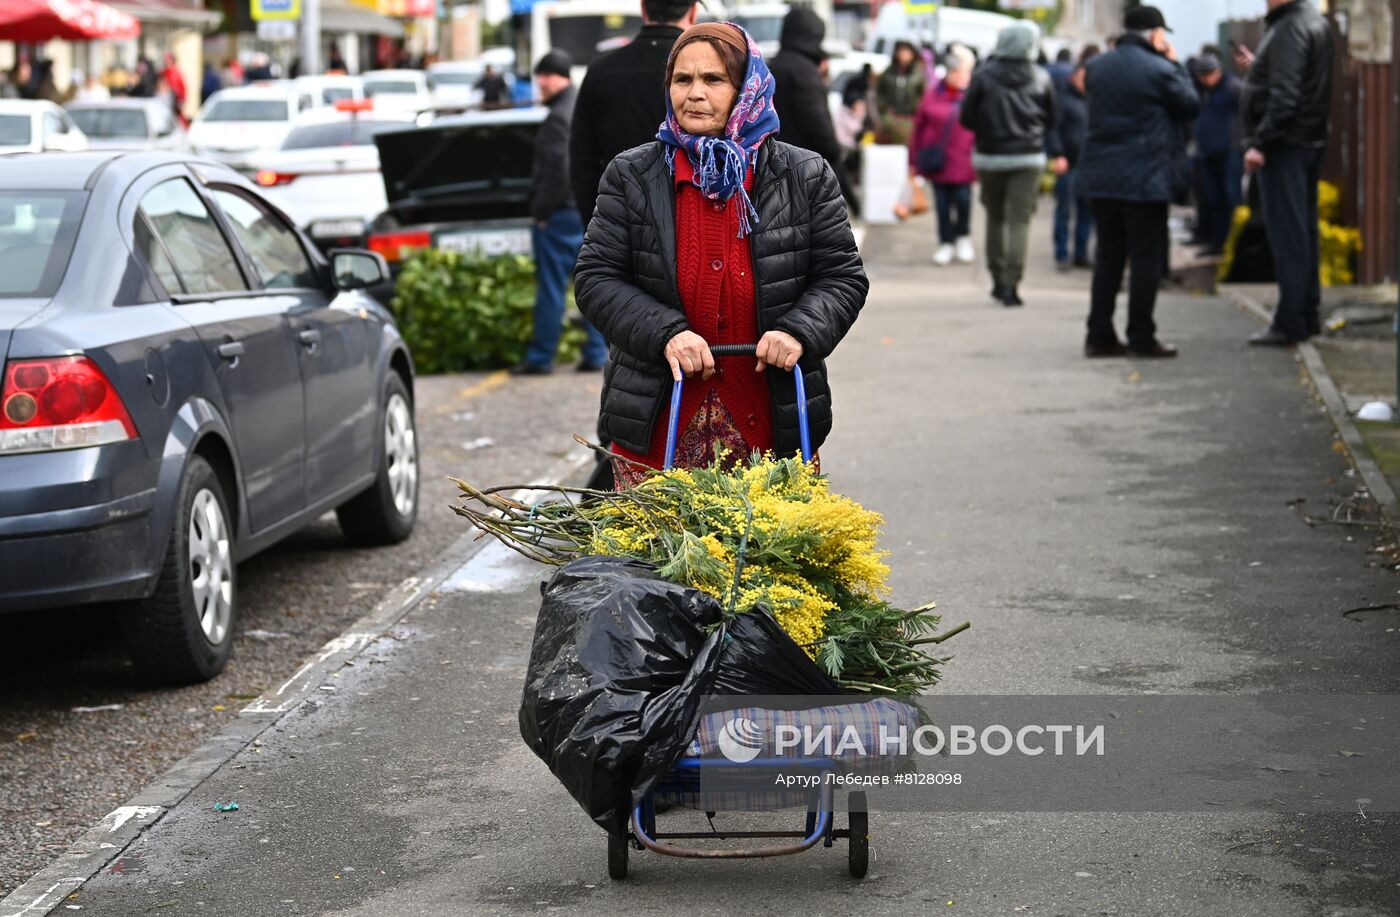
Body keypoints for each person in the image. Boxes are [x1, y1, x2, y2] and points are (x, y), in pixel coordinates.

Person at [574, 23, 867, 487]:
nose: (694, 94)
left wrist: (798, 331)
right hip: (658, 421)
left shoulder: (805, 174)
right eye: (681, 79)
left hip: (770, 419)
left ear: (745, 87)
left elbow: (842, 278)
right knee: (653, 557)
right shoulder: (631, 174)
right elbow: (596, 278)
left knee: (767, 554)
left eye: (713, 80)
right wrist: (666, 334)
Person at [1073, 5, 1199, 358]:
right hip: (1145, 178)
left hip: (1100, 176)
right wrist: (1175, 64)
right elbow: (1190, 105)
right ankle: (1141, 336)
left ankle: (1099, 335)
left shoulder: (1096, 67)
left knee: (1109, 256)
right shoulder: (1160, 69)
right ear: (1155, 34)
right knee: (1144, 259)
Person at [1239, 0, 1333, 346]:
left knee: (1288, 236)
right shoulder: (1309, 22)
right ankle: (1305, 315)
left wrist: (1260, 143)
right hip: (1305, 141)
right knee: (1301, 232)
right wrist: (1259, 69)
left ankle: (1290, 321)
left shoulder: (1289, 27)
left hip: (1286, 146)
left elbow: (1286, 96)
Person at [512, 50, 609, 376]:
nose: (539, 83)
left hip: (559, 214)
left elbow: (557, 170)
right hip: (582, 210)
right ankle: (596, 353)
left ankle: (541, 357)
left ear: (559, 77)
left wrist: (541, 211)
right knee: (590, 284)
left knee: (552, 288)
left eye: (544, 76)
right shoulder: (577, 107)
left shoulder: (557, 117)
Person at [959, 21, 1063, 307]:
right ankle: (1012, 284)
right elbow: (1052, 119)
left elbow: (966, 117)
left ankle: (997, 278)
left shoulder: (983, 75)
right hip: (1028, 157)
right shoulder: (1041, 77)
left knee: (995, 217)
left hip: (990, 156)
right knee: (1019, 220)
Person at [570, 0, 698, 227]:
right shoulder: (704, 71)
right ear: (693, 12)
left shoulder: (602, 69)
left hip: (620, 219)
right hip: (691, 222)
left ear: (643, 9)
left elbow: (582, 161)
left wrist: (597, 226)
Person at [767, 8, 859, 209]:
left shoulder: (773, 65)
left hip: (773, 163)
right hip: (805, 167)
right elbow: (816, 121)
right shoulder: (805, 72)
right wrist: (833, 151)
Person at [909, 44, 977, 267]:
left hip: (964, 160)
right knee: (942, 204)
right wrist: (913, 160)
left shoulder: (973, 96)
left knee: (963, 201)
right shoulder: (932, 95)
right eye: (957, 73)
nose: (961, 77)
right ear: (948, 74)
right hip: (937, 161)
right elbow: (919, 127)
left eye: (965, 73)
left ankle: (963, 237)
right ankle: (946, 242)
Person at [1188, 52, 1241, 255]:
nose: (1205, 80)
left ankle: (1233, 245)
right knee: (1214, 200)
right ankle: (1217, 243)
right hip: (1207, 154)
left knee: (1231, 198)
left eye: (1207, 75)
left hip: (1230, 153)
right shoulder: (1202, 91)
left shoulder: (1233, 88)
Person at [1052, 54, 1093, 271]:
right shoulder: (1063, 99)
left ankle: (1081, 253)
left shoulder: (1093, 100)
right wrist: (1058, 154)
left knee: (1086, 212)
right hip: (1068, 162)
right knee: (1064, 210)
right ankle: (1061, 253)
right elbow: (1053, 128)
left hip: (1088, 165)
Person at [875, 40, 925, 146]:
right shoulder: (889, 71)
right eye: (901, 51)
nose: (903, 55)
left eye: (907, 52)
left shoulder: (918, 74)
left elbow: (924, 95)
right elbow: (879, 91)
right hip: (890, 117)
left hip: (910, 119)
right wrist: (883, 108)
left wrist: (916, 109)